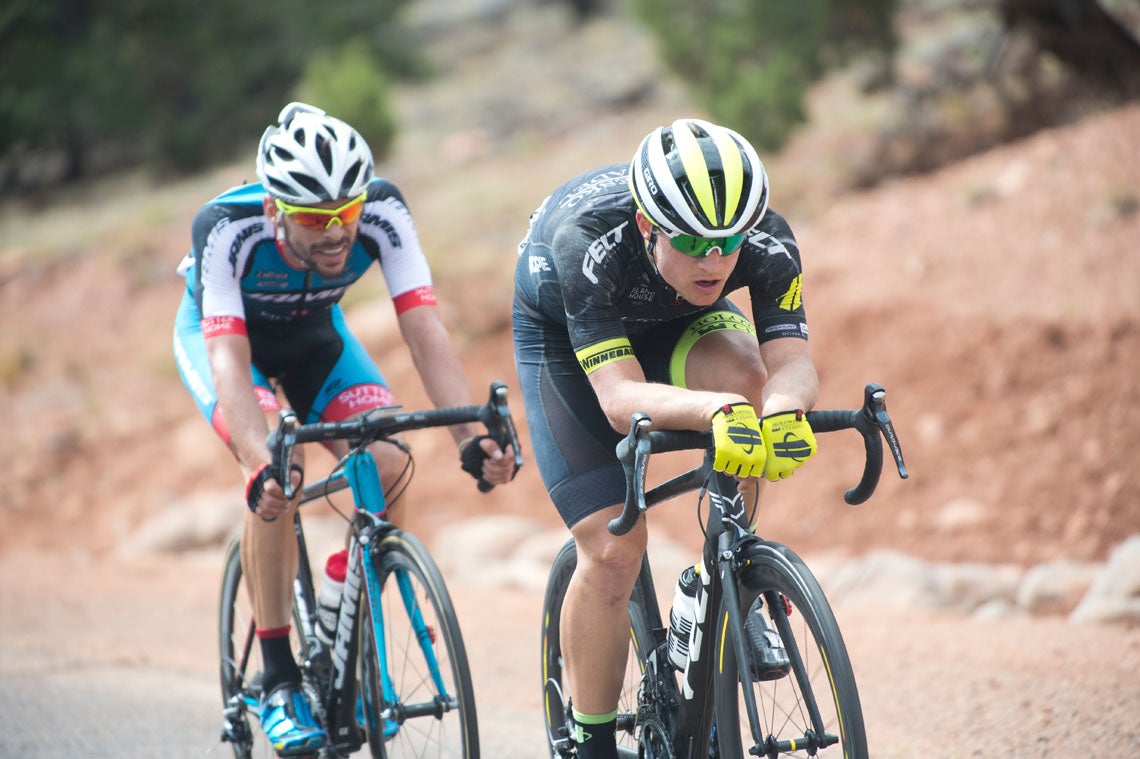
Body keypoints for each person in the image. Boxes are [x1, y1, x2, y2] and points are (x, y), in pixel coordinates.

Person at [172, 102, 517, 756]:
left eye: (345, 212)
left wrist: (471, 437)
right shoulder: (225, 227)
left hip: (313, 341)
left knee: (388, 457)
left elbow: (423, 330)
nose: (335, 233)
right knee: (280, 474)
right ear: (275, 210)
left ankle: (343, 600)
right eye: (312, 217)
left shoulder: (384, 211)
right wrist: (259, 460)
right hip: (224, 342)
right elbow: (226, 356)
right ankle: (276, 678)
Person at [513, 118, 819, 759]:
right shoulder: (587, 243)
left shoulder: (766, 242)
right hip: (570, 341)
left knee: (747, 380)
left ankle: (722, 580)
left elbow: (789, 361)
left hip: (677, 316)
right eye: (694, 242)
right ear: (650, 226)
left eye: (729, 241)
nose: (716, 260)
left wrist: (784, 412)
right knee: (613, 548)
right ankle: (591, 738)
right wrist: (718, 411)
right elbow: (620, 399)